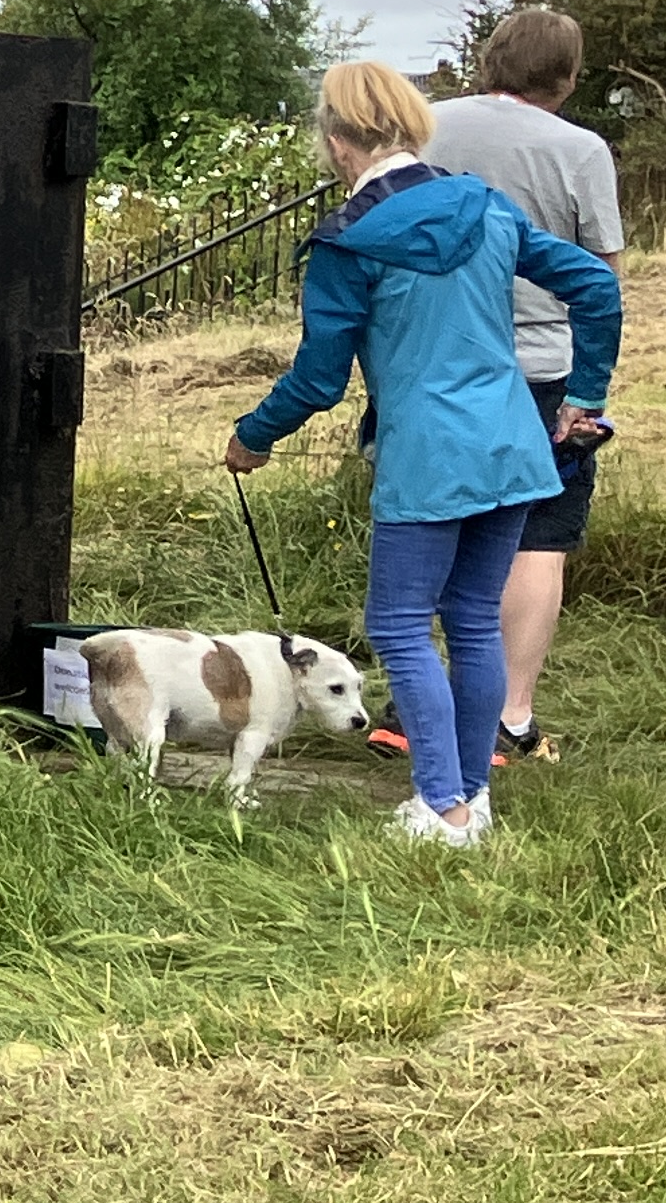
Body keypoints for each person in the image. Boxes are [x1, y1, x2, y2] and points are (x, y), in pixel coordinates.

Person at [227, 60, 618, 846]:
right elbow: (596, 287)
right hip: (513, 446)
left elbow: (320, 379)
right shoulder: (485, 205)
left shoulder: (348, 242)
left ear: (339, 143)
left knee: (400, 624)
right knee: (472, 620)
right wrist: (585, 395)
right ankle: (473, 798)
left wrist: (253, 436)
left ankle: (442, 806)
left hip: (429, 457)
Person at [425, 6, 625, 761]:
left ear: (490, 60)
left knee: (436, 525)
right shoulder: (580, 149)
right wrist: (593, 387)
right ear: (568, 78)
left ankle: (419, 702)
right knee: (539, 536)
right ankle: (507, 716)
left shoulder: (427, 126)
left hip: (436, 361)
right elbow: (601, 274)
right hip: (542, 366)